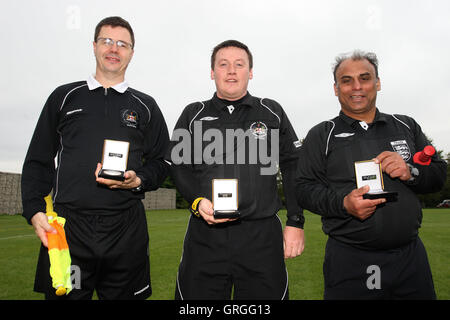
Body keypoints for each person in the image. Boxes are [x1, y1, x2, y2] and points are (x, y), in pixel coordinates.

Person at [21, 16, 170, 300]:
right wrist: (34, 208)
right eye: (107, 41)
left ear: (132, 53)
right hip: (70, 231)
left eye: (122, 44)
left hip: (126, 230)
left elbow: (163, 162)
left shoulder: (145, 106)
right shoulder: (64, 97)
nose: (114, 49)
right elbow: (38, 159)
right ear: (94, 46)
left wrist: (138, 180)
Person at [295, 50, 447, 299]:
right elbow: (303, 188)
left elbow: (439, 174)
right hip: (351, 259)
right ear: (336, 88)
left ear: (377, 83)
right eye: (347, 80)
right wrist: (343, 203)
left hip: (410, 257)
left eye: (365, 78)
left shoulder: (406, 125)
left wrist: (411, 171)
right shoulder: (322, 134)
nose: (356, 86)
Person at [166, 40, 305, 300]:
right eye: (223, 64)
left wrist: (295, 221)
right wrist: (197, 201)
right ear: (212, 72)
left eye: (239, 65)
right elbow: (179, 165)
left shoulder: (271, 111)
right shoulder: (193, 114)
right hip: (205, 235)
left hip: (261, 235)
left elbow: (292, 164)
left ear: (250, 72)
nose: (231, 71)